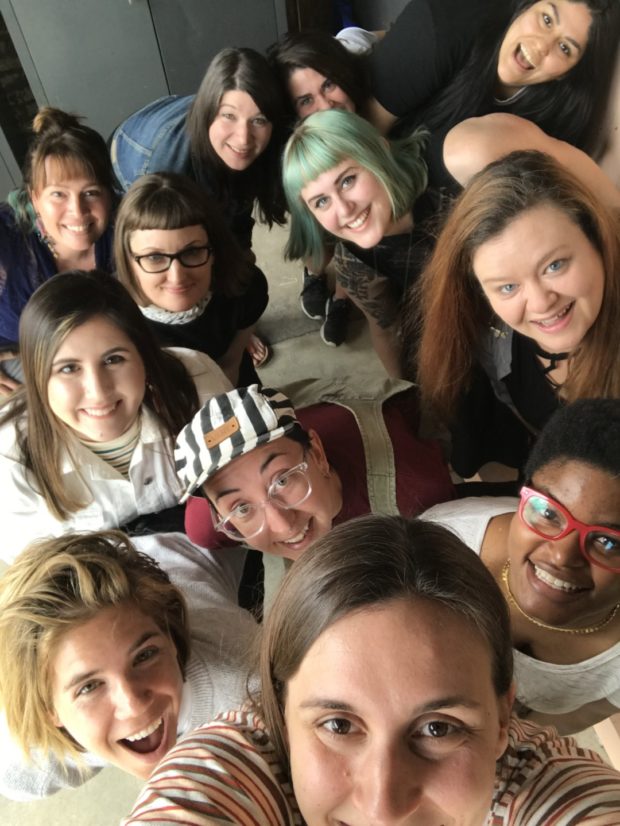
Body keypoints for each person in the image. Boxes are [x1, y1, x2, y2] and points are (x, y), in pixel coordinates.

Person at [124, 515, 620, 825]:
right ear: (280, 712)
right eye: (338, 725)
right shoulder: (237, 767)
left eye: (438, 728)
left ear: (503, 720)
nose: (383, 806)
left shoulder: (546, 791)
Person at [0, 529, 258, 799]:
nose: (133, 704)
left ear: (171, 639)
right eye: (89, 687)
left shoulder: (249, 687)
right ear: (48, 711)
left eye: (145, 656)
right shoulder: (24, 765)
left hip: (192, 539)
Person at [412, 149, 620, 478]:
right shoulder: (494, 339)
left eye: (554, 265)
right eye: (507, 287)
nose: (540, 303)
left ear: (596, 239)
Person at [0, 271, 230, 563]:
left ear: (143, 354)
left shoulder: (198, 383)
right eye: (68, 368)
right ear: (37, 375)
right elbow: (35, 567)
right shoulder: (10, 460)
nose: (98, 391)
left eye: (113, 360)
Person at [421, 398, 620, 734]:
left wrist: (509, 738)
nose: (561, 556)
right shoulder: (442, 542)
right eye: (548, 512)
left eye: (609, 542)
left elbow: (584, 712)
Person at [111, 47, 287, 369]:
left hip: (183, 135)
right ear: (208, 111)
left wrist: (240, 322)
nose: (244, 138)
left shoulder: (249, 150)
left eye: (259, 120)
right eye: (228, 116)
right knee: (177, 259)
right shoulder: (166, 167)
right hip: (136, 158)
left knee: (232, 257)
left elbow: (236, 229)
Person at [175, 383, 454, 560]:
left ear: (318, 454)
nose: (283, 525)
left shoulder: (416, 490)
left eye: (282, 480)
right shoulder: (206, 527)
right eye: (242, 508)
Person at [366, 0, 620, 191]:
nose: (541, 46)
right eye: (546, 19)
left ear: (567, 73)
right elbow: (366, 132)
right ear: (526, 5)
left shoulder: (558, 118)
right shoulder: (442, 26)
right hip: (379, 179)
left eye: (564, 48)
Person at [283, 109, 429, 376]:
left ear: (379, 152)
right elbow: (385, 331)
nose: (344, 210)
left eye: (347, 181)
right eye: (321, 201)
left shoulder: (448, 181)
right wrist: (404, 392)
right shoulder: (353, 263)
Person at [0, 106, 116, 394]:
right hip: (19, 356)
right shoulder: (6, 238)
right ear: (34, 198)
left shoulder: (126, 228)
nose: (77, 211)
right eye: (58, 194)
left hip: (101, 349)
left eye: (91, 192)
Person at [114, 172, 268, 386]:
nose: (177, 276)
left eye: (192, 252)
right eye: (155, 257)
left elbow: (231, 363)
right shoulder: (114, 319)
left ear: (214, 250)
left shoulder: (244, 287)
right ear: (128, 260)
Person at [269, 30, 372, 342]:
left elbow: (361, 36)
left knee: (356, 226)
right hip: (314, 162)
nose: (326, 105)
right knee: (317, 225)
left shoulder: (361, 60)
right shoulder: (291, 144)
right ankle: (314, 273)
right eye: (306, 100)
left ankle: (342, 296)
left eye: (329, 84)